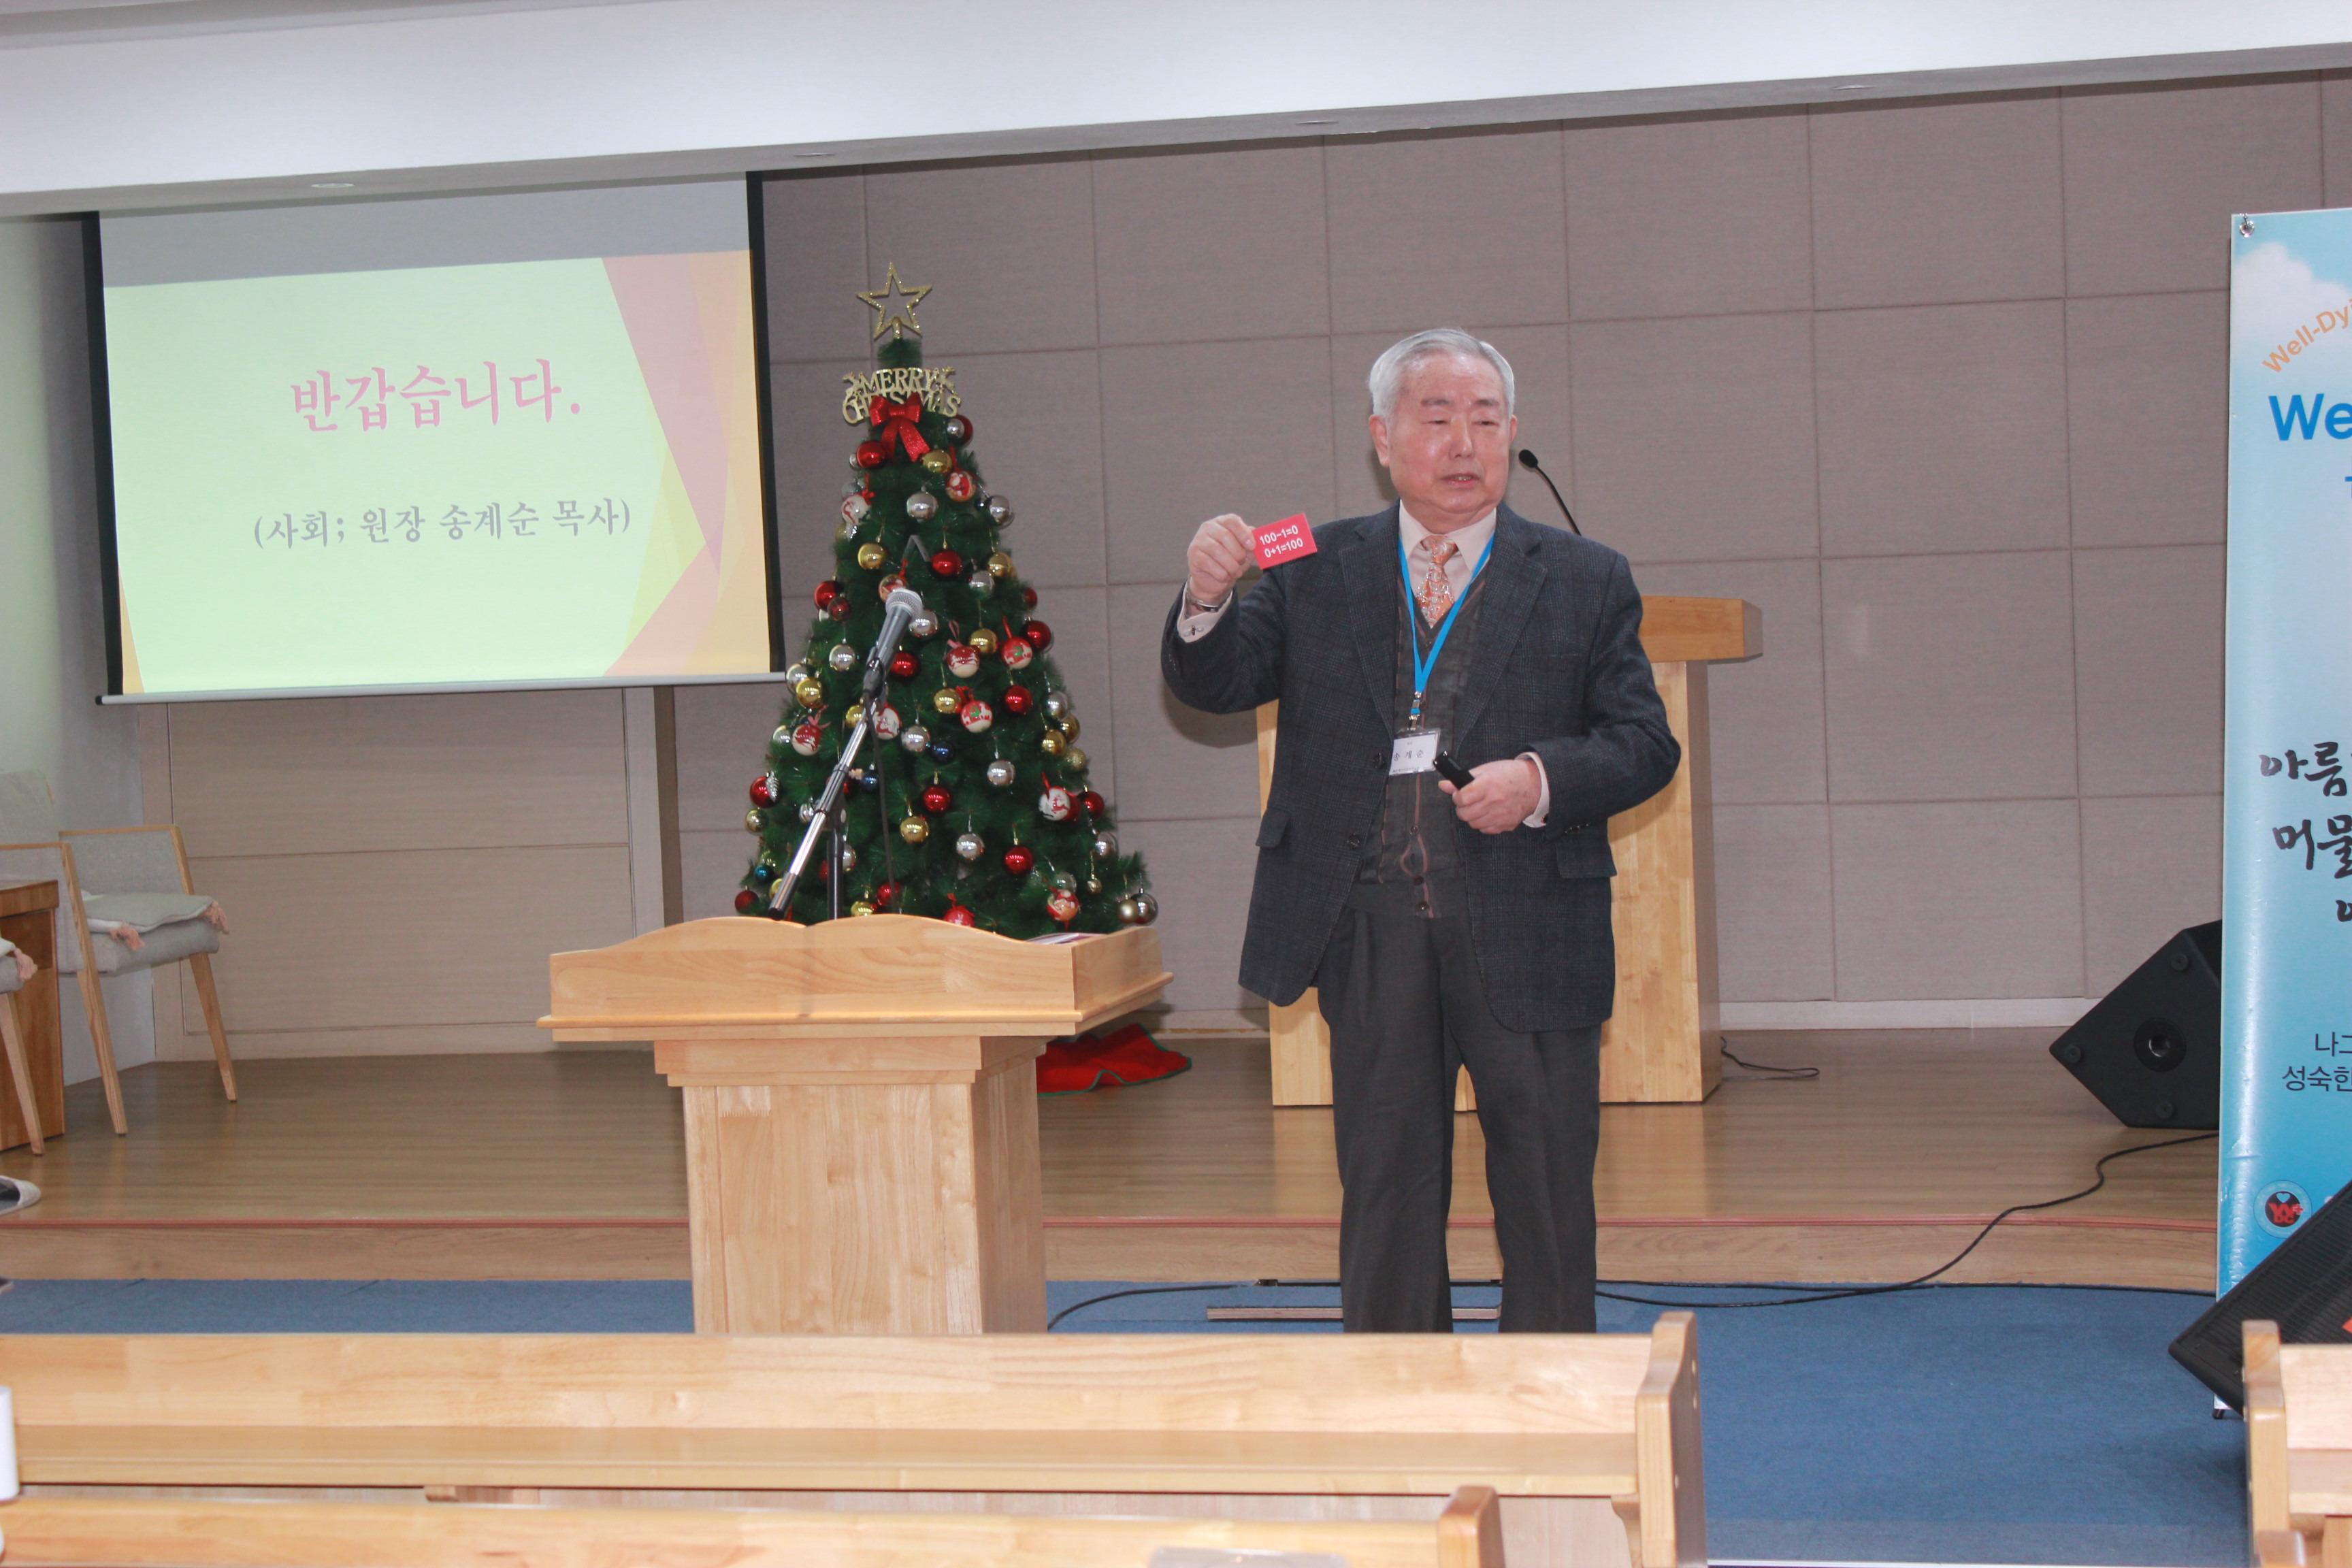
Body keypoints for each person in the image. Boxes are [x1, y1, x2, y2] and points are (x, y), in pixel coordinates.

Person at [1161, 328, 1679, 1332]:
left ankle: (1549, 1395)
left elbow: (1644, 744)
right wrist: (1207, 596)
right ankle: (1399, 1396)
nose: (1463, 443)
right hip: (1367, 927)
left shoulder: (1586, 575)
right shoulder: (1312, 564)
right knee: (1386, 1191)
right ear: (1382, 438)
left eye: (1485, 419)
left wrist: (1538, 780)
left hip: (1531, 923)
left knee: (1547, 1191)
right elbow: (1218, 683)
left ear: (1513, 432)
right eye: (1437, 418)